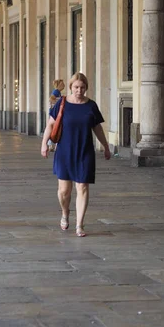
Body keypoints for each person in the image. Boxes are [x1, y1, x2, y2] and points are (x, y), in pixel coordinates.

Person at [41, 72, 111, 237]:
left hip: (84, 151)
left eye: (82, 87)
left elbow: (97, 128)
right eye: (76, 87)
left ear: (86, 88)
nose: (79, 90)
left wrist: (106, 146)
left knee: (83, 187)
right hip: (64, 151)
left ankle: (80, 224)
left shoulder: (91, 106)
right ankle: (65, 213)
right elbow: (50, 125)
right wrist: (44, 144)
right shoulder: (62, 103)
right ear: (71, 87)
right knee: (64, 191)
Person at [47, 79, 66, 152]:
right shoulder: (56, 92)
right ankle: (52, 145)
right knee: (55, 128)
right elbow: (51, 99)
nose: (63, 85)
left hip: (54, 113)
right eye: (62, 84)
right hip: (55, 114)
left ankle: (51, 145)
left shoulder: (57, 92)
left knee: (54, 128)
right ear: (58, 85)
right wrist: (59, 101)